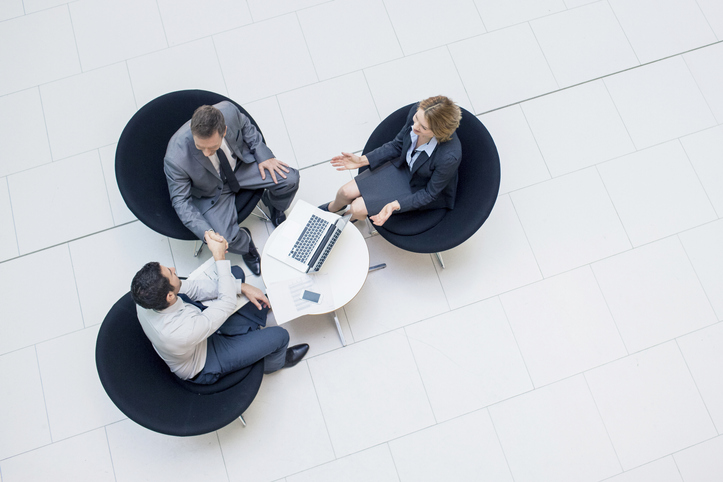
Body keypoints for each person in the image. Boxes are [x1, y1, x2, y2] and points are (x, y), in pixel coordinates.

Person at [131, 230, 309, 384]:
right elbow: (226, 303)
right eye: (171, 272)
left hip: (195, 330)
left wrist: (241, 286)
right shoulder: (179, 333)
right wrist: (219, 257)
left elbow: (191, 288)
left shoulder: (145, 300)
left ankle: (251, 324)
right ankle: (273, 364)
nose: (173, 268)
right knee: (280, 336)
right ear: (169, 296)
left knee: (234, 275)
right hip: (205, 359)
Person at [165, 101, 300, 275]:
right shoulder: (175, 159)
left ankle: (275, 205)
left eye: (212, 147)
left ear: (224, 131)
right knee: (225, 239)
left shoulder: (229, 111)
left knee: (290, 179)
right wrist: (207, 234)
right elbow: (180, 201)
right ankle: (247, 245)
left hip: (241, 168)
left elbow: (246, 126)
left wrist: (263, 154)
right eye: (200, 147)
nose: (206, 153)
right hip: (211, 192)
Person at [321, 96, 462, 226]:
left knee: (357, 208)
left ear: (438, 133)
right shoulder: (417, 113)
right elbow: (397, 145)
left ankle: (343, 221)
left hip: (419, 186)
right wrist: (361, 160)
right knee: (344, 192)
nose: (415, 127)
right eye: (416, 118)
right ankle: (332, 209)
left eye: (423, 127)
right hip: (403, 167)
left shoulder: (448, 157)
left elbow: (429, 194)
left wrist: (395, 205)